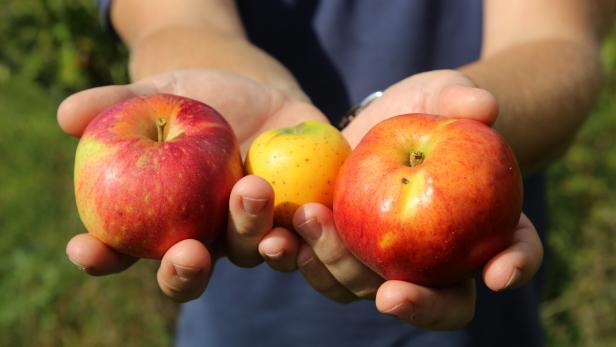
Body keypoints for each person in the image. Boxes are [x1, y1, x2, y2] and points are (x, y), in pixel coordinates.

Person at [57, 1, 615, 346]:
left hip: (469, 294)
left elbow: (556, 43)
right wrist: (228, 94)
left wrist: (476, 135)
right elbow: (171, 17)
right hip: (240, 308)